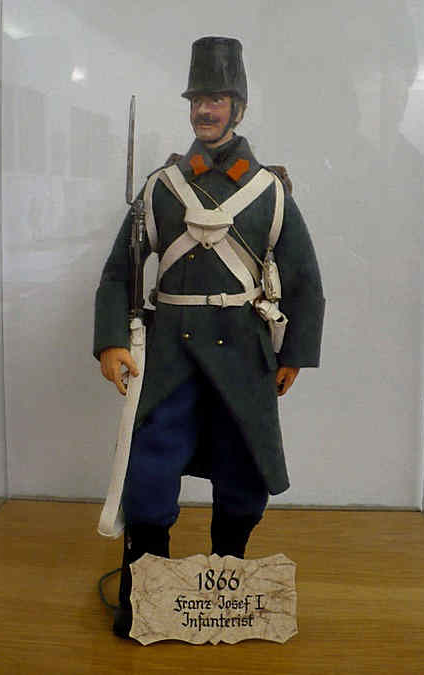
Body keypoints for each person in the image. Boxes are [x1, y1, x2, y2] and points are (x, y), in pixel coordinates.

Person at [93, 36, 325, 638]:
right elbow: (121, 271)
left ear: (238, 108)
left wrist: (295, 353)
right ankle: (147, 588)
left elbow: (304, 279)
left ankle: (229, 580)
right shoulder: (160, 187)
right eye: (198, 98)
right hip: (169, 354)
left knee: (243, 470)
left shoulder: (268, 192)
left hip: (243, 354)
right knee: (149, 469)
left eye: (218, 98)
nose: (205, 109)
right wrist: (112, 340)